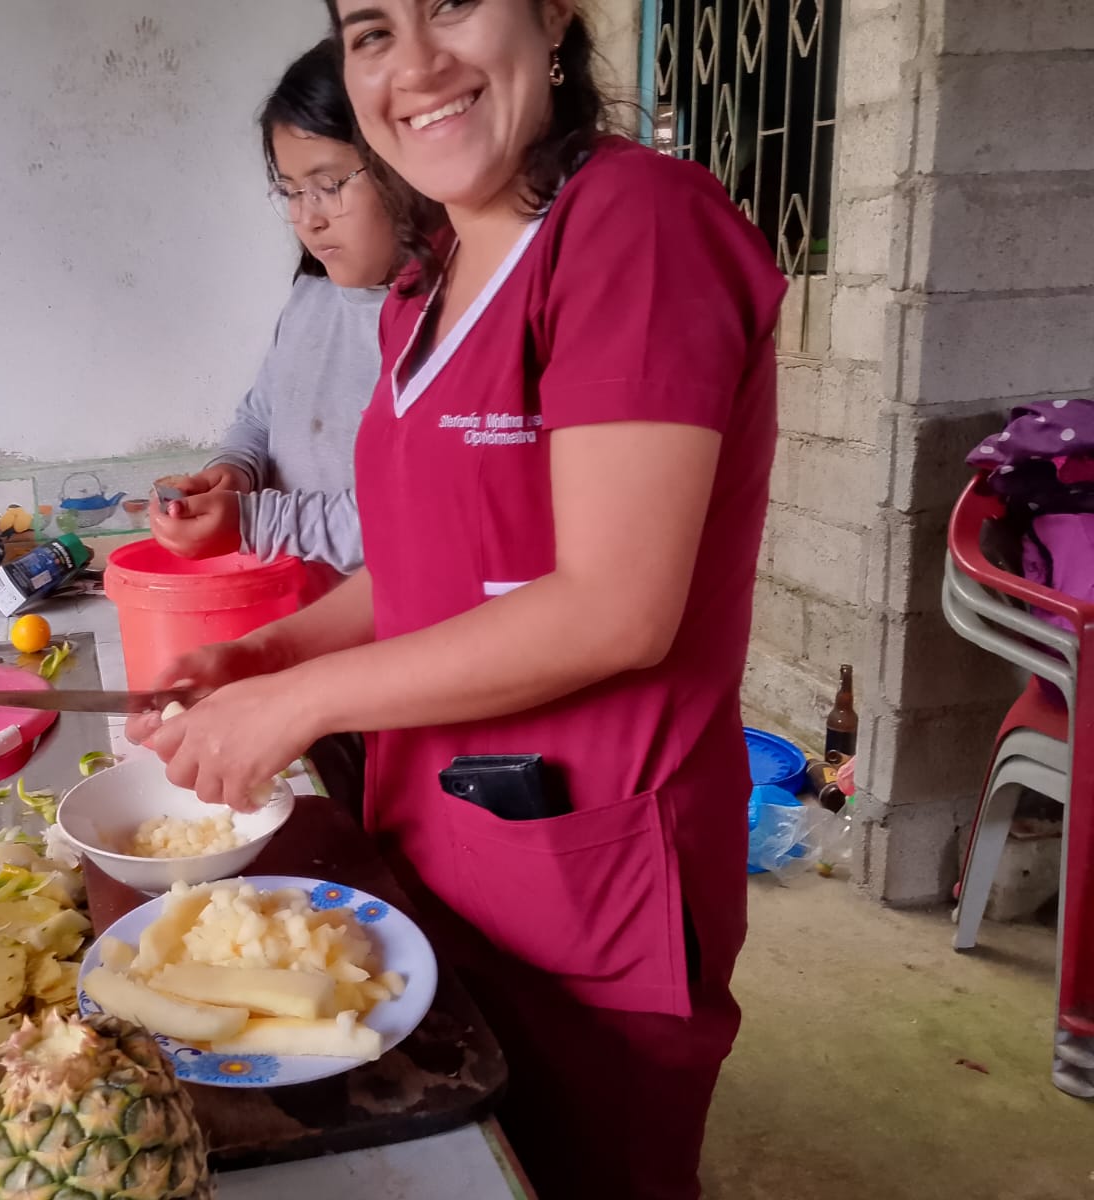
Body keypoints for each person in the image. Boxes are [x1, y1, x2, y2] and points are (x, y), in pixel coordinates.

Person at [133, 2, 788, 1196]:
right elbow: (428, 568)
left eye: (451, 5)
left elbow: (614, 607)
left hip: (584, 868)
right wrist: (266, 657)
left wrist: (300, 706)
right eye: (372, 31)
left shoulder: (635, 227)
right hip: (436, 846)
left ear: (551, 15)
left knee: (595, 1168)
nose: (417, 65)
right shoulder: (422, 288)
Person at [149, 39, 396, 601]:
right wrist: (235, 472)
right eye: (289, 191)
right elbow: (261, 417)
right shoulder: (312, 296)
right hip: (294, 605)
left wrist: (253, 521)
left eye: (328, 186)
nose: (307, 218)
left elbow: (410, 518)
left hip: (388, 624)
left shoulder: (440, 322)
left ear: (401, 166)